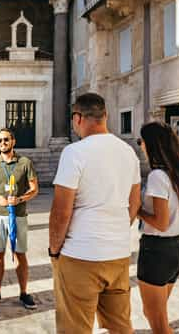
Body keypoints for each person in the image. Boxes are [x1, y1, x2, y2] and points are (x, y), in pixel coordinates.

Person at [49, 93, 142, 334]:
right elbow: (134, 203)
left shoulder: (74, 152)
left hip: (81, 254)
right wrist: (117, 231)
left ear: (77, 118)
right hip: (118, 254)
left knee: (74, 328)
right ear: (106, 116)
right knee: (119, 326)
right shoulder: (128, 152)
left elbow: (61, 211)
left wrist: (54, 250)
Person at [136, 121, 179, 334]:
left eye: (141, 141)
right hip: (177, 250)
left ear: (151, 144)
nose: (140, 145)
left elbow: (160, 223)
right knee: (159, 318)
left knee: (157, 321)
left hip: (156, 251)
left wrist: (137, 209)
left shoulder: (157, 177)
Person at [0, 128, 39, 309]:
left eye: (6, 140)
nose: (2, 143)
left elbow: (34, 189)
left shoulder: (24, 163)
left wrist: (21, 198)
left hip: (19, 215)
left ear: (13, 141)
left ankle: (24, 293)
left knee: (20, 254)